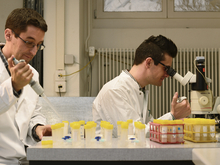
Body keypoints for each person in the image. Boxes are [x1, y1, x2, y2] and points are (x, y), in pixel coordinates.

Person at [92, 35, 191, 137]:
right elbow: (133, 134)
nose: (167, 74)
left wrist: (176, 120)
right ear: (149, 62)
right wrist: (172, 116)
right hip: (110, 152)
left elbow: (150, 128)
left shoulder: (138, 90)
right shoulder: (115, 90)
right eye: (166, 69)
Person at [0, 8, 51, 164]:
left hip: (24, 159)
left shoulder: (32, 74)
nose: (34, 51)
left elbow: (33, 112)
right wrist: (14, 86)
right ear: (8, 34)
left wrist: (37, 128)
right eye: (29, 42)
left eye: (39, 45)